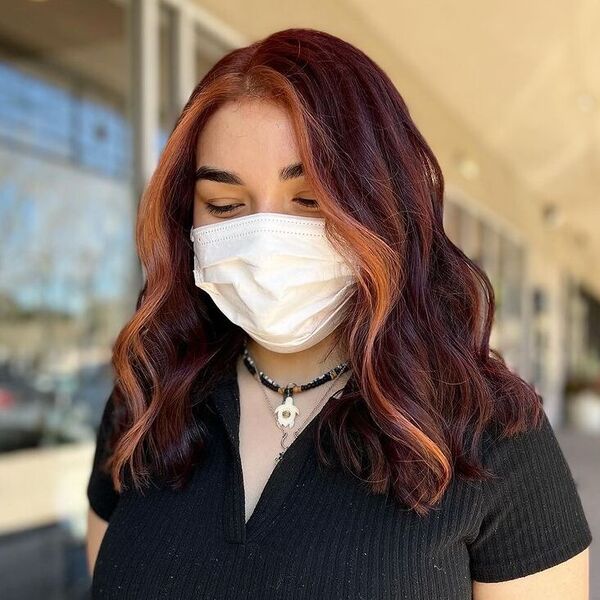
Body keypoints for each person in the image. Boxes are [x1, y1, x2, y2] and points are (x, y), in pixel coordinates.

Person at [85, 27, 592, 600]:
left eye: (311, 201)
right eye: (225, 206)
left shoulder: (491, 434)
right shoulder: (148, 399)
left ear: (382, 208)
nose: (264, 240)